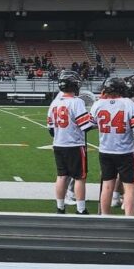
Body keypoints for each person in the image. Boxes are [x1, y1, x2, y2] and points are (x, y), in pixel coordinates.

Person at [90, 77, 134, 216]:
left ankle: (105, 216)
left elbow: (89, 125)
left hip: (105, 150)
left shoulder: (98, 104)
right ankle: (129, 218)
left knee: (107, 185)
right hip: (126, 151)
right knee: (130, 187)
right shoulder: (128, 103)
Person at [47, 71, 94, 214]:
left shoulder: (54, 103)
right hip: (74, 145)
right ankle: (81, 209)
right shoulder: (77, 102)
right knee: (80, 178)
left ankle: (60, 207)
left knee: (61, 176)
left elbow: (51, 129)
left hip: (58, 144)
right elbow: (86, 126)